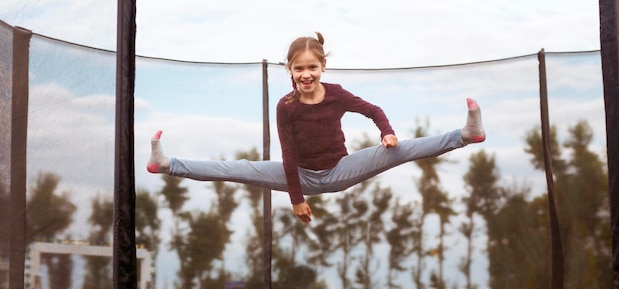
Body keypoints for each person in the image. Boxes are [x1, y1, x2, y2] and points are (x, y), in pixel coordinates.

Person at [147, 32, 485, 224]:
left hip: (340, 168)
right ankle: (168, 165)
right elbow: (289, 154)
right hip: (301, 175)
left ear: (323, 66)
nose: (306, 74)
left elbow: (373, 109)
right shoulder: (286, 107)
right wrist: (297, 198)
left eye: (312, 66)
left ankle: (464, 136)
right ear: (289, 70)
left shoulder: (336, 94)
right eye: (299, 68)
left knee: (398, 151)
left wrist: (386, 132)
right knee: (237, 169)